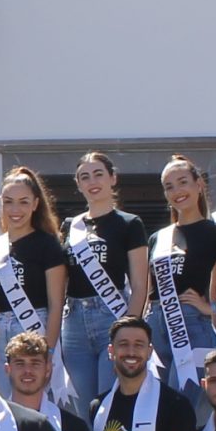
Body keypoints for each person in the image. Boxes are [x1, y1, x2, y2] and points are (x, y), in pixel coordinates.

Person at [147, 156, 216, 407]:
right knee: (157, 408)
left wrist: (212, 308)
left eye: (183, 182)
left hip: (190, 325)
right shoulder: (158, 237)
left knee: (180, 406)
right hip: (155, 325)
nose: (177, 191)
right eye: (169, 187)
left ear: (199, 184)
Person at [61, 151, 151, 405]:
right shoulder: (71, 227)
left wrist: (129, 327)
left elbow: (140, 284)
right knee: (82, 404)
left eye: (98, 174)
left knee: (109, 401)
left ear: (113, 178)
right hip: (74, 322)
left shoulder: (130, 223)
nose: (92, 182)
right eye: (85, 177)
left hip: (112, 315)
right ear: (78, 184)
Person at [0, 167, 70, 403]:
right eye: (8, 202)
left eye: (23, 202)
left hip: (35, 327)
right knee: (3, 404)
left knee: (36, 403)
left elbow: (56, 303)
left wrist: (49, 350)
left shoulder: (48, 245)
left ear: (35, 204)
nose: (15, 210)